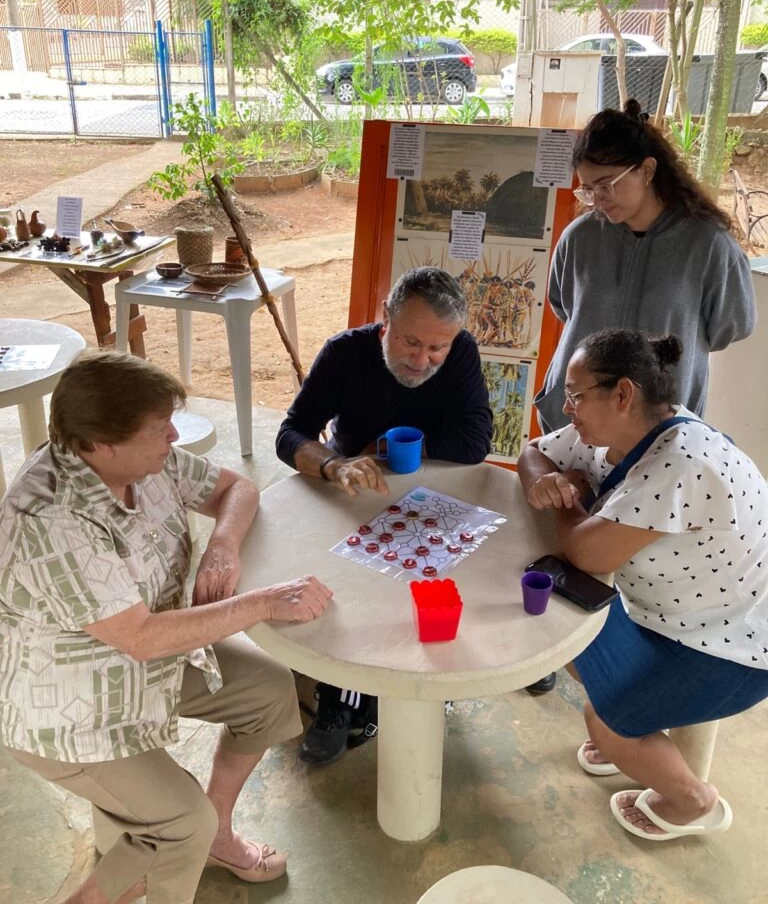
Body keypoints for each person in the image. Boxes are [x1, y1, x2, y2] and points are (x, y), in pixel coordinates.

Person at [0, 351, 333, 904]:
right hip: (71, 711)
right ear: (102, 444)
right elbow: (142, 637)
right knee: (181, 823)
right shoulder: (51, 517)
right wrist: (265, 603)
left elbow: (237, 490)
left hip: (148, 663)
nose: (173, 436)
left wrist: (222, 547)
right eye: (159, 429)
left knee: (268, 691)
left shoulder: (145, 463)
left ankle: (217, 836)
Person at [528, 97, 756, 696]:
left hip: (654, 426)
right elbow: (562, 308)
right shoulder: (579, 238)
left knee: (621, 543)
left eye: (607, 184)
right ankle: (546, 646)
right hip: (574, 414)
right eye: (587, 189)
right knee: (554, 520)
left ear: (649, 170)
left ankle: (626, 668)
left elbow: (731, 325)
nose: (596, 199)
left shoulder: (709, 244)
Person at [519, 328, 768, 841]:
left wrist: (568, 502)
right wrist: (547, 480)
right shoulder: (623, 430)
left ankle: (692, 801)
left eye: (576, 395)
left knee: (602, 721)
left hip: (736, 647)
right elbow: (533, 453)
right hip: (676, 618)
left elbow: (584, 551)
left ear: (624, 394)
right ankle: (636, 730)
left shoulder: (682, 462)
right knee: (561, 620)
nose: (567, 408)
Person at [276, 266, 493, 764]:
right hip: (354, 493)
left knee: (435, 590)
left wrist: (392, 448)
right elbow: (290, 434)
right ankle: (339, 697)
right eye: (410, 343)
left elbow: (476, 440)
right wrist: (333, 464)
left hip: (434, 498)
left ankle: (419, 683)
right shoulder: (345, 352)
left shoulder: (461, 352)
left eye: (436, 348)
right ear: (385, 321)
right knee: (352, 591)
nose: (422, 361)